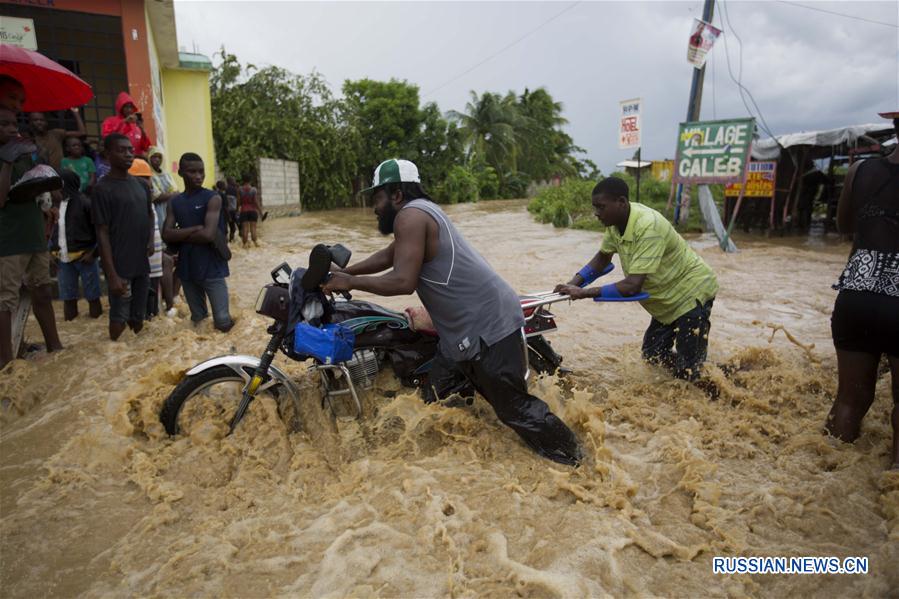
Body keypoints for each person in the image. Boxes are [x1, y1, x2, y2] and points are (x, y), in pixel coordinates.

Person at [322, 158, 582, 466]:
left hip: (485, 326)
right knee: (437, 396)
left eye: (377, 197)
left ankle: (577, 462)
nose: (374, 206)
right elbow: (390, 255)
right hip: (462, 331)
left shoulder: (410, 216)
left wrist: (350, 281)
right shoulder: (421, 213)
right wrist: (345, 272)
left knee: (514, 408)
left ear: (396, 195)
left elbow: (403, 280)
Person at [554, 177, 719, 386]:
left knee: (688, 373)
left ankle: (722, 382)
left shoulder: (648, 226)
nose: (596, 213)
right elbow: (603, 258)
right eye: (595, 207)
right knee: (653, 356)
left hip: (691, 293)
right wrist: (573, 284)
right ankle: (702, 373)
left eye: (601, 207)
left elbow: (632, 286)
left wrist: (584, 293)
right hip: (664, 299)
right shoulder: (615, 224)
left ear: (621, 202)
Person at [826, 112, 899, 470]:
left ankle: (826, 471)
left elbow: (843, 225)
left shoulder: (859, 171)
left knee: (849, 403)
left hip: (857, 294)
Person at [0, 98, 64, 369]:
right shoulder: (8, 156)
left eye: (14, 123)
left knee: (42, 292)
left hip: (34, 234)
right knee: (6, 301)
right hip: (8, 240)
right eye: (3, 124)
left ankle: (56, 347)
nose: (11, 128)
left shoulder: (25, 155)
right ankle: (6, 363)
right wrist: (6, 161)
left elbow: (37, 189)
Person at [91, 134, 154, 340]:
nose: (128, 154)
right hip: (120, 267)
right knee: (118, 318)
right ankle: (114, 353)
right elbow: (102, 232)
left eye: (130, 150)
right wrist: (111, 275)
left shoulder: (142, 185)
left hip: (141, 264)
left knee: (138, 317)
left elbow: (150, 214)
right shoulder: (102, 189)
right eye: (122, 150)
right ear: (108, 155)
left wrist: (151, 240)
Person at [162, 153, 233, 332]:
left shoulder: (213, 198)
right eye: (192, 172)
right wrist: (195, 229)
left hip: (212, 267)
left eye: (201, 171)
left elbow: (208, 235)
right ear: (181, 173)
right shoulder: (175, 201)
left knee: (223, 322)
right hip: (188, 268)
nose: (198, 176)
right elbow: (166, 234)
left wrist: (179, 234)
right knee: (199, 321)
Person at [50, 170, 102, 320]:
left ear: (64, 186)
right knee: (68, 298)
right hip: (63, 258)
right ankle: (71, 323)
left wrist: (93, 253)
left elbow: (99, 231)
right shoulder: (55, 206)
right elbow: (53, 231)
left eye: (57, 186)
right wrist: (52, 251)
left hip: (85, 256)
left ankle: (95, 324)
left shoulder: (85, 203)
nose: (54, 190)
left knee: (93, 296)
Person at [128, 157, 171, 318]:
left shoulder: (146, 200)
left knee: (153, 282)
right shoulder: (133, 201)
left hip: (153, 250)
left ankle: (154, 313)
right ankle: (148, 314)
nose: (148, 183)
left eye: (148, 178)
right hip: (142, 252)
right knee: (144, 287)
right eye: (144, 178)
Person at [101, 92, 152, 158]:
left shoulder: (136, 125)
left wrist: (142, 130)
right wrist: (124, 122)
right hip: (118, 159)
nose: (129, 110)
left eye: (131, 107)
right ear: (120, 107)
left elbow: (145, 147)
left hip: (135, 162)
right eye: (126, 107)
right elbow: (106, 137)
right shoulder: (110, 121)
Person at [237, 175, 261, 248]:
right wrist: (260, 211)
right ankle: (256, 244)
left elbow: (238, 202)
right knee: (253, 228)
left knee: (245, 228)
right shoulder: (254, 190)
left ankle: (245, 244)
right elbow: (255, 202)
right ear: (250, 180)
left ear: (243, 180)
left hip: (244, 211)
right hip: (253, 211)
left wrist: (237, 210)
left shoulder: (239, 189)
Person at [225, 176, 240, 241]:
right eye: (234, 180)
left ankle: (231, 241)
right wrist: (237, 209)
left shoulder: (225, 189)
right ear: (230, 181)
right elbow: (238, 200)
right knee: (240, 226)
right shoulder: (235, 189)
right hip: (234, 211)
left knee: (232, 228)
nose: (235, 181)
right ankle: (244, 243)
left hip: (227, 212)